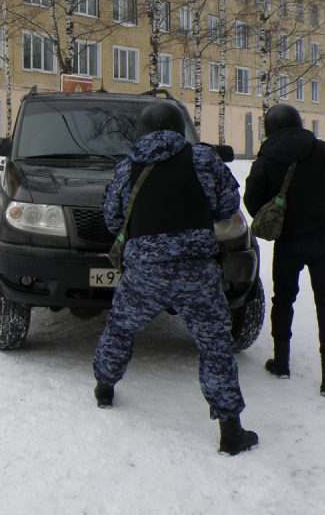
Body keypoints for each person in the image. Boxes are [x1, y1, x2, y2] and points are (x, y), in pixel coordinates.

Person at [93, 100, 258, 456]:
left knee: (120, 329)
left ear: (142, 129)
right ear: (179, 128)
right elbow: (229, 205)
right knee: (215, 344)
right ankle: (231, 431)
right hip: (195, 271)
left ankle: (104, 387)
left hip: (144, 274)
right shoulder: (203, 160)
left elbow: (111, 219)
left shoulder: (126, 168)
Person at [243, 103, 325, 396]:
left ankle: (281, 362)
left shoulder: (266, 158)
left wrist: (277, 213)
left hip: (287, 242)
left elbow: (252, 202)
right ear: (298, 122)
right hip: (323, 239)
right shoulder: (324, 150)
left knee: (283, 299)